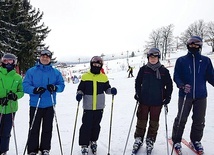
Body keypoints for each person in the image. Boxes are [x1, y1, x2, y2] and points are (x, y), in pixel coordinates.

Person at [171, 36, 214, 154]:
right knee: (181, 118)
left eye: (196, 44)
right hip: (185, 95)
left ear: (200, 46)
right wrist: (182, 85)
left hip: (201, 95)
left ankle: (196, 140)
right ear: (188, 45)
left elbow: (211, 76)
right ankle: (176, 140)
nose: (193, 46)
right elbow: (176, 76)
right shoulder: (181, 60)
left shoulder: (206, 61)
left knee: (199, 120)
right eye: (191, 44)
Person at [23, 50, 65, 155]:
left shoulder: (55, 72)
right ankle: (32, 150)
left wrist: (55, 87)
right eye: (43, 56)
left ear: (50, 59)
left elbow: (62, 85)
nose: (45, 58)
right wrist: (34, 90)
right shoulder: (32, 71)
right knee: (34, 128)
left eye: (47, 57)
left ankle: (45, 149)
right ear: (40, 57)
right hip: (35, 104)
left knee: (47, 128)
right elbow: (25, 85)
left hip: (49, 104)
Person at [132, 48, 173, 154]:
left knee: (154, 123)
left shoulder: (164, 71)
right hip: (144, 100)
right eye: (151, 57)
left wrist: (167, 97)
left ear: (158, 58)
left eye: (155, 57)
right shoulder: (143, 69)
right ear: (148, 58)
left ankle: (150, 140)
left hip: (157, 101)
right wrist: (137, 93)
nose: (153, 59)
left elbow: (169, 85)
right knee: (141, 121)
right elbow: (138, 82)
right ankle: (139, 138)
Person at [76, 56, 117, 154]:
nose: (96, 66)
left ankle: (93, 141)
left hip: (99, 106)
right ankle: (84, 144)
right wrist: (79, 94)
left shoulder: (103, 77)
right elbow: (80, 88)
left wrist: (111, 91)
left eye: (98, 65)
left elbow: (107, 89)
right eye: (94, 64)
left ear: (101, 66)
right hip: (88, 106)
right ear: (91, 64)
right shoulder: (85, 76)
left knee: (96, 125)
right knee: (86, 125)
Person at [0, 53, 24, 154]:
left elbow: (21, 91)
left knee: (6, 131)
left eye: (10, 60)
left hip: (11, 108)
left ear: (14, 62)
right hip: (0, 106)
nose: (8, 62)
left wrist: (15, 96)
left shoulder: (17, 77)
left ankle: (3, 150)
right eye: (5, 60)